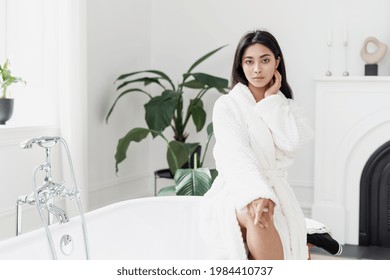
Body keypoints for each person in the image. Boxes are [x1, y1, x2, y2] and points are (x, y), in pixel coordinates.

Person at [200, 29, 314, 259]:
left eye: (265, 60)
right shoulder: (227, 105)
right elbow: (236, 154)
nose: (257, 69)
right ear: (240, 66)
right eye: (249, 61)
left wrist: (272, 101)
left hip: (277, 188)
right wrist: (256, 193)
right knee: (258, 214)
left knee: (267, 214)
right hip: (238, 186)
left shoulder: (285, 107)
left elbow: (291, 143)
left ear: (277, 62)